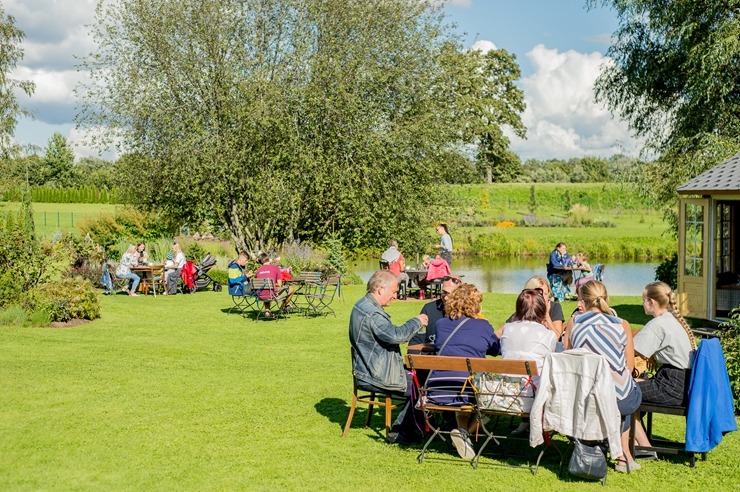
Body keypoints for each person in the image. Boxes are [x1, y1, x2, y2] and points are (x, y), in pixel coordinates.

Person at [564, 280, 642, 472]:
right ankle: (623, 455)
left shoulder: (574, 323)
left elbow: (567, 358)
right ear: (606, 298)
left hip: (584, 397)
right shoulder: (622, 324)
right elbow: (629, 366)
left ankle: (600, 445)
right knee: (628, 392)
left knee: (615, 394)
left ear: (582, 301)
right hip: (617, 400)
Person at [349, 270, 428, 444]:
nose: (395, 296)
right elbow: (396, 336)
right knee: (420, 386)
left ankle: (415, 427)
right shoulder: (373, 314)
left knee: (420, 377)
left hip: (366, 368)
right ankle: (400, 431)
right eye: (393, 291)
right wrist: (416, 321)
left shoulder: (361, 304)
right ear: (380, 289)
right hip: (375, 374)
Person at [430, 283, 500, 459]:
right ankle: (465, 433)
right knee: (497, 399)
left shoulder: (440, 324)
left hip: (437, 390)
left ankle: (461, 430)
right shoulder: (482, 326)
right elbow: (496, 349)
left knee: (463, 383)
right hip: (465, 391)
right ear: (476, 304)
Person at [630, 281, 697, 455]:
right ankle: (639, 442)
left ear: (651, 302)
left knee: (621, 389)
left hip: (671, 386)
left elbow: (630, 350)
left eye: (643, 299)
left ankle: (644, 447)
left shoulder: (658, 324)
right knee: (632, 386)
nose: (642, 303)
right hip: (683, 383)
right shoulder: (673, 320)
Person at [499, 288, 557, 435]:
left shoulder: (508, 329)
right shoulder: (548, 335)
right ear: (541, 309)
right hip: (533, 400)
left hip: (504, 396)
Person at [408, 274, 463, 350]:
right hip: (430, 357)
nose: (446, 298)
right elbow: (417, 338)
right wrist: (413, 359)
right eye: (444, 292)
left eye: (450, 294)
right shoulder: (429, 309)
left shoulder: (466, 312)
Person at [501, 276, 566, 340]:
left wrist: (547, 317)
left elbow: (557, 337)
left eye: (546, 294)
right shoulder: (525, 310)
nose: (543, 297)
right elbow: (499, 332)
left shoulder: (554, 307)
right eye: (539, 294)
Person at [253, 253, 294, 317]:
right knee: (291, 289)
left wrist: (268, 284)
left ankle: (267, 310)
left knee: (266, 290)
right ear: (268, 259)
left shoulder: (258, 271)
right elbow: (280, 284)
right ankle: (283, 308)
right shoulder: (275, 268)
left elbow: (258, 284)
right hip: (272, 295)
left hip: (260, 295)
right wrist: (272, 284)